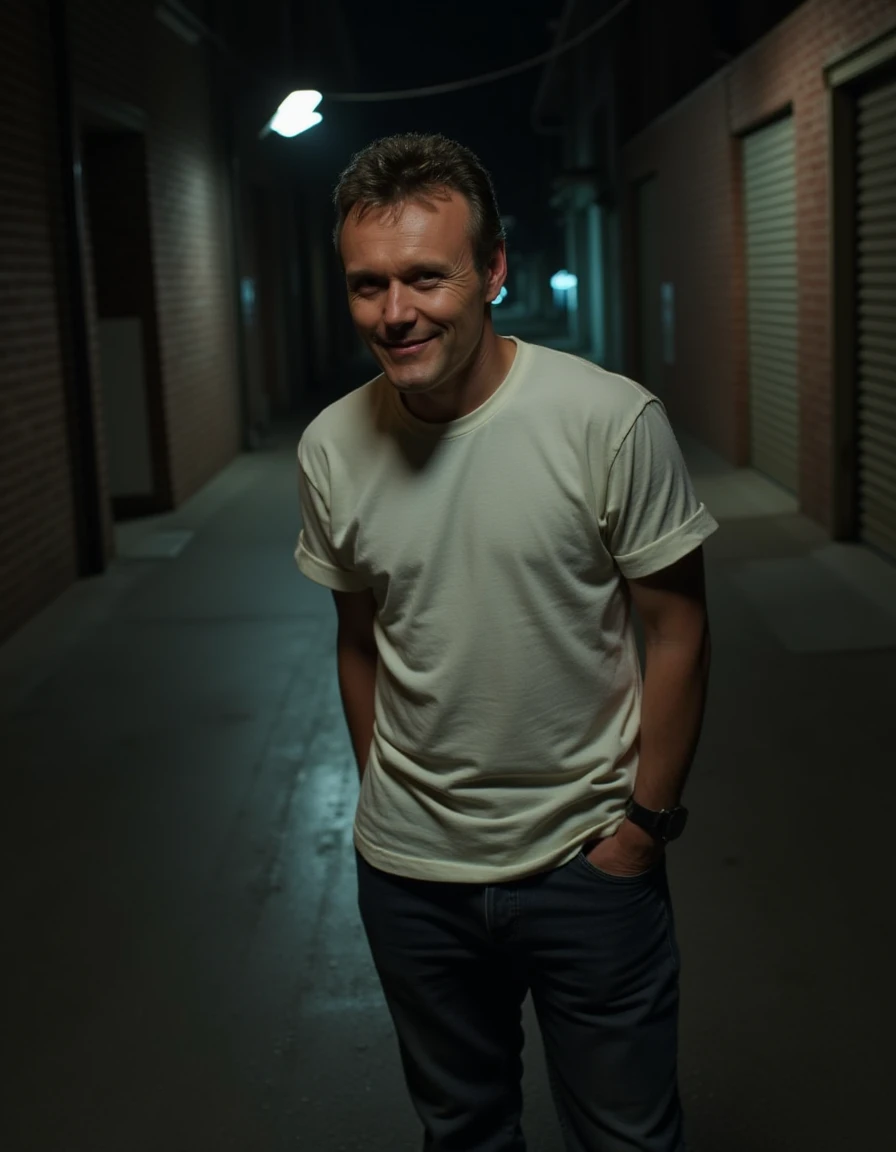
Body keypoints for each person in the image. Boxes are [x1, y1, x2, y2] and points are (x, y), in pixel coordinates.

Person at [294, 132, 717, 1152]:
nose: (395, 312)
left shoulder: (607, 421)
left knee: (625, 1137)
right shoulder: (329, 448)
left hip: (584, 864)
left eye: (425, 277)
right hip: (409, 881)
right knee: (463, 1132)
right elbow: (358, 640)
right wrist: (385, 805)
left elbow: (676, 627)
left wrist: (639, 829)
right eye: (367, 285)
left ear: (492, 270)